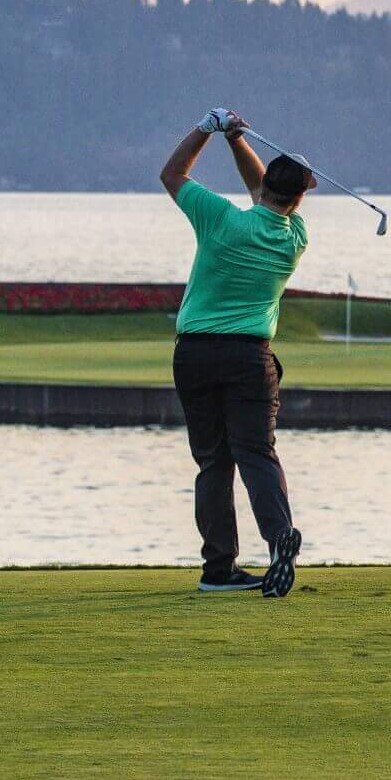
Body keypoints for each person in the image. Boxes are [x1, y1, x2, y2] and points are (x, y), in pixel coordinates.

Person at [158, 107, 313, 596]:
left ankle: (218, 569)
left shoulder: (220, 219)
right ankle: (277, 538)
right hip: (250, 358)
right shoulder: (294, 238)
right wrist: (237, 142)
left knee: (213, 463)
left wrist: (210, 130)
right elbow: (264, 192)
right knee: (256, 453)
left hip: (196, 355)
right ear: (300, 197)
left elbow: (172, 173)